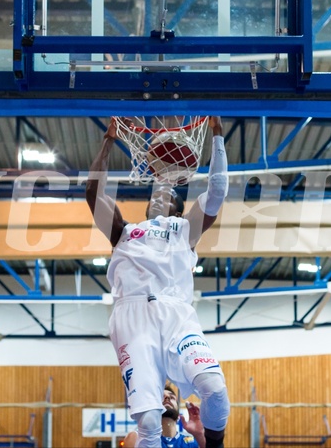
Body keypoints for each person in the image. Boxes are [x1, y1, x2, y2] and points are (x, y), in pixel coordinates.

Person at [86, 116, 230, 448]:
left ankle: (216, 444)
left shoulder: (185, 232)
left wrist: (217, 136)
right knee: (149, 421)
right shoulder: (123, 232)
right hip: (133, 315)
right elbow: (93, 193)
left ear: (178, 209)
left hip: (176, 314)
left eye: (165, 192)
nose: (157, 193)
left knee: (213, 386)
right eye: (154, 191)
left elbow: (218, 189)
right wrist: (108, 142)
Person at [123, 384, 205, 448]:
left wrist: (200, 434)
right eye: (161, 396)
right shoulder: (136, 438)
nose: (167, 397)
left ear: (178, 417)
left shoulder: (192, 442)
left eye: (172, 397)